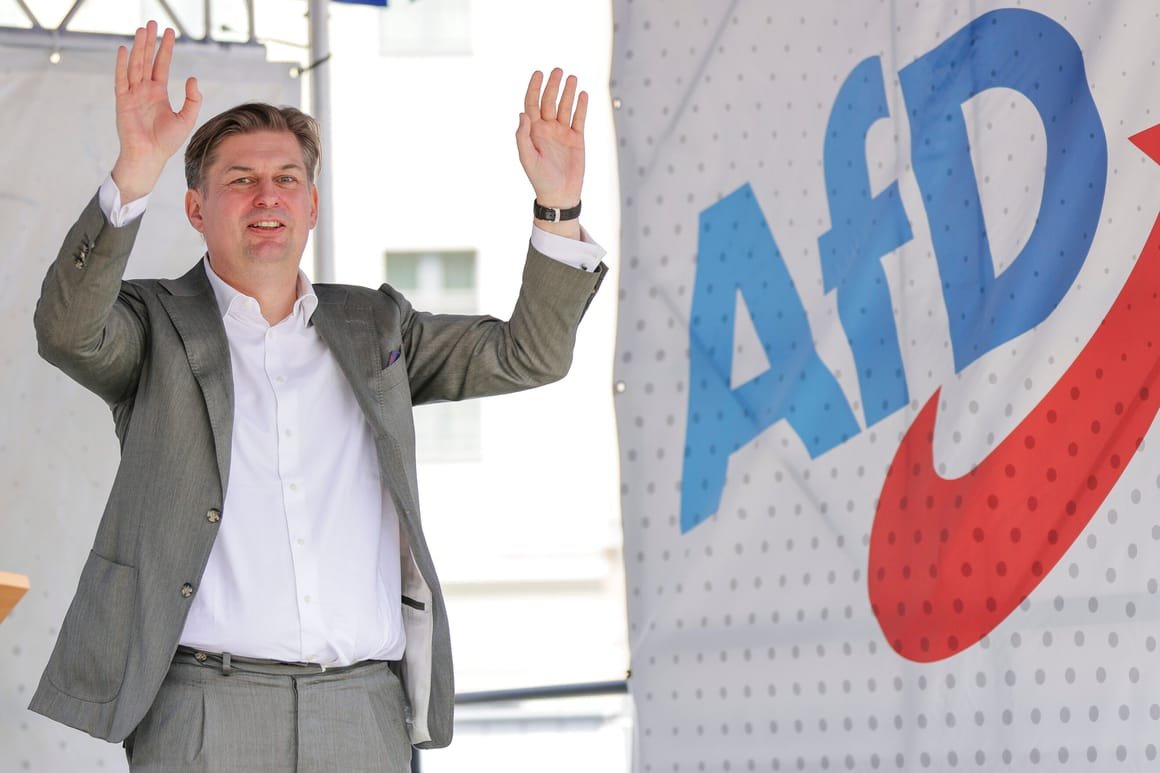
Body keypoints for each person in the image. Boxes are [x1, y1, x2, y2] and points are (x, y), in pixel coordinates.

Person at [29, 21, 605, 772]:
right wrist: (134, 171)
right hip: (204, 710)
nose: (266, 195)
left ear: (312, 206)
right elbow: (67, 329)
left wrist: (557, 207)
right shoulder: (154, 325)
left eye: (287, 179)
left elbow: (529, 353)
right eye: (239, 179)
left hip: (362, 711)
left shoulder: (376, 325)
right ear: (197, 208)